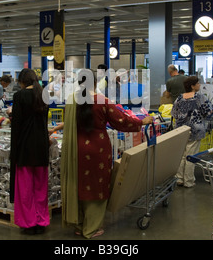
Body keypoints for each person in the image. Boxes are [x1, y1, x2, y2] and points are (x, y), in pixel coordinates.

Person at [60, 69, 153, 239]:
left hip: (77, 148)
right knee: (96, 184)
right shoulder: (102, 101)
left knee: (79, 182)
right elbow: (121, 122)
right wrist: (142, 122)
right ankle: (92, 228)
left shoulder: (72, 100)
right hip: (98, 149)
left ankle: (80, 225)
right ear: (95, 82)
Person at [10, 69, 50, 235]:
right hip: (41, 146)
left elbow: (17, 126)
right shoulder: (43, 95)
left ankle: (29, 222)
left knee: (25, 189)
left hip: (25, 147)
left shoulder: (19, 97)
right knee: (40, 187)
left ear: (21, 81)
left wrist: (14, 151)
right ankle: (41, 220)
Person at [171, 76, 213, 188]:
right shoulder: (200, 98)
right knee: (191, 156)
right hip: (195, 130)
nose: (199, 85)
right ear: (192, 86)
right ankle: (188, 181)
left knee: (181, 155)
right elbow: (208, 113)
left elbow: (174, 113)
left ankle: (179, 178)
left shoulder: (179, 98)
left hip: (180, 130)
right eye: (197, 83)